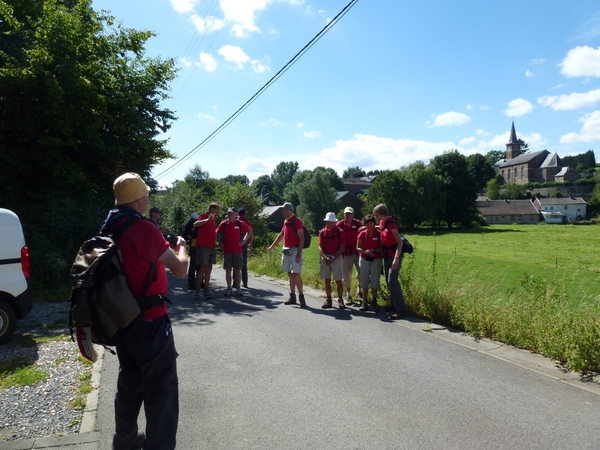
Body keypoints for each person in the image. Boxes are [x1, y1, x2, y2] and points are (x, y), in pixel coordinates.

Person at [102, 172, 188, 450]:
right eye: (147, 194)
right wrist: (183, 247)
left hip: (122, 318)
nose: (149, 198)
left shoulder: (110, 223)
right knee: (161, 388)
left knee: (130, 382)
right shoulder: (144, 229)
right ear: (139, 199)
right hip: (150, 321)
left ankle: (124, 439)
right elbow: (180, 269)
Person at [266, 202, 306, 308]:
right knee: (290, 273)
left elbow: (302, 238)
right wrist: (272, 246)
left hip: (295, 250)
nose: (282, 212)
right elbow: (282, 234)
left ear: (288, 210)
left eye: (283, 210)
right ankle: (292, 296)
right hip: (286, 250)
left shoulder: (297, 221)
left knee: (296, 274)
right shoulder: (286, 221)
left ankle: (301, 297)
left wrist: (299, 253)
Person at [373, 203, 407, 320]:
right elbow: (381, 229)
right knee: (388, 281)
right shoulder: (383, 223)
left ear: (382, 213)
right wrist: (369, 227)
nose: (376, 217)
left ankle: (401, 310)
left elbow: (400, 242)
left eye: (377, 214)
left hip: (394, 256)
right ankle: (394, 306)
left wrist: (396, 259)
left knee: (392, 281)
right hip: (387, 255)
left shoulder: (392, 225)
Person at [217, 208, 251, 297]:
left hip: (238, 251)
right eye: (228, 213)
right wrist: (220, 243)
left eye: (231, 213)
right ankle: (229, 288)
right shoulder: (224, 224)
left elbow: (249, 230)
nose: (230, 215)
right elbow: (217, 232)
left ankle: (238, 289)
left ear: (236, 214)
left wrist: (244, 240)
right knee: (228, 270)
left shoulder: (240, 223)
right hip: (227, 251)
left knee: (238, 270)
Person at [318, 212, 346, 309]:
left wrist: (333, 257)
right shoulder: (322, 232)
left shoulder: (340, 232)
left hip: (336, 258)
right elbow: (320, 246)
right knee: (327, 280)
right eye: (327, 222)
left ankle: (340, 299)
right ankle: (328, 299)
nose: (329, 224)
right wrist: (325, 257)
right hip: (325, 257)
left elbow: (342, 247)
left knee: (338, 280)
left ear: (334, 222)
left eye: (331, 222)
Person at [356, 215, 382, 312]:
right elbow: (358, 248)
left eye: (371, 223)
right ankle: (365, 301)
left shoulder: (378, 234)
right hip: (364, 258)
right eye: (367, 223)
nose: (369, 225)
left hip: (376, 258)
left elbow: (382, 248)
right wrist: (365, 252)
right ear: (365, 224)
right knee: (364, 280)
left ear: (374, 223)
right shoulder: (362, 234)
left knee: (375, 280)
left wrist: (374, 250)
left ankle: (375, 301)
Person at [336, 207, 362, 305]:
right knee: (346, 275)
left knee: (362, 273)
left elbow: (363, 233)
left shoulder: (357, 223)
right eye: (346, 214)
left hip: (357, 252)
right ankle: (348, 294)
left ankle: (359, 291)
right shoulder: (340, 224)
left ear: (353, 215)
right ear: (344, 215)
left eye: (350, 214)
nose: (348, 215)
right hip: (345, 254)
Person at [193, 203, 220, 300]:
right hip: (203, 245)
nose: (218, 212)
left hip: (211, 246)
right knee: (203, 267)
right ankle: (198, 291)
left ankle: (206, 290)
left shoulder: (214, 218)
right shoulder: (204, 215)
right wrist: (207, 220)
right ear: (212, 209)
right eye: (217, 209)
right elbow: (195, 224)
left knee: (209, 267)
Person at [234, 207, 253, 288]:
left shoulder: (235, 221)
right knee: (243, 264)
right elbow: (251, 234)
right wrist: (250, 243)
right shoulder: (247, 222)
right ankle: (245, 283)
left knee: (235, 264)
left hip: (235, 245)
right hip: (244, 245)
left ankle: (235, 283)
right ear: (245, 214)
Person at [182, 213, 199, 291]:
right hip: (199, 246)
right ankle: (199, 283)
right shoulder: (198, 223)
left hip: (193, 247)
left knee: (192, 266)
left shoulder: (188, 225)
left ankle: (192, 284)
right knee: (199, 266)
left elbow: (185, 235)